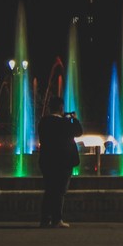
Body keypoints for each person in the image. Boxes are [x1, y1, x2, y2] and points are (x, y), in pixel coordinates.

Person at [38, 97, 82, 228]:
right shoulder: (65, 122)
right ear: (61, 108)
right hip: (63, 162)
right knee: (59, 191)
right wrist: (74, 119)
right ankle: (57, 219)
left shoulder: (43, 122)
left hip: (47, 161)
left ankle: (45, 219)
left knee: (49, 190)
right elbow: (79, 132)